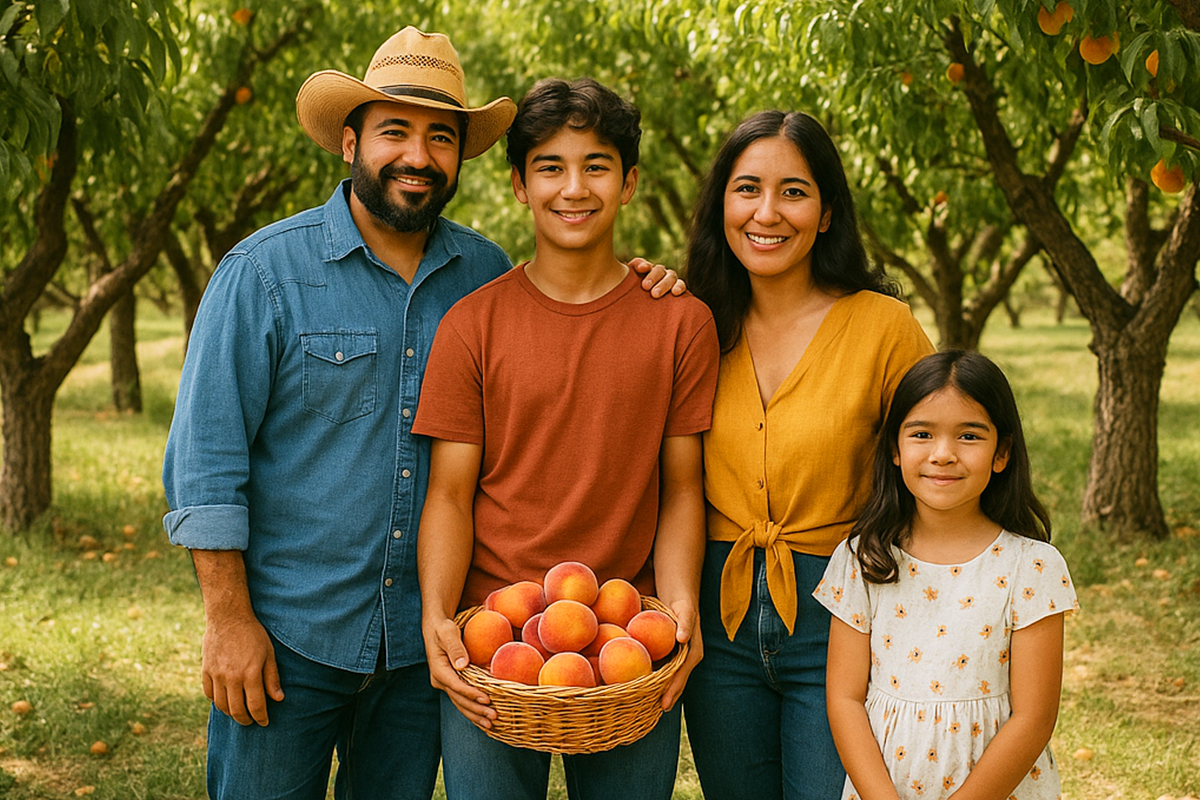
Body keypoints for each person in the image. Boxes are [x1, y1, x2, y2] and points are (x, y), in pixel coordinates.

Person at [161, 29, 681, 800]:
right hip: (289, 640)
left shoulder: (483, 274)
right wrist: (229, 621)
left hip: (423, 648)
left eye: (440, 137)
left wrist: (645, 283)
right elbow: (205, 463)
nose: (418, 155)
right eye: (394, 132)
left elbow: (567, 326)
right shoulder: (265, 272)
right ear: (349, 142)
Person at [412, 77, 719, 800]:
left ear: (630, 181)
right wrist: (437, 618)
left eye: (596, 166)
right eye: (550, 167)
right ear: (519, 185)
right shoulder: (472, 326)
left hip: (625, 638)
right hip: (494, 638)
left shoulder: (680, 324)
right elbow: (451, 496)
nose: (573, 188)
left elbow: (681, 488)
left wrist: (679, 610)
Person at [681, 109, 936, 800]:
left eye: (794, 191)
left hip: (846, 614)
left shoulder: (884, 327)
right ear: (721, 204)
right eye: (747, 189)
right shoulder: (691, 321)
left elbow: (934, 478)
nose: (768, 212)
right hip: (718, 614)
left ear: (826, 213)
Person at [815, 349, 1079, 800]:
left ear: (1003, 453)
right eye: (922, 434)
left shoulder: (1033, 567)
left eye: (969, 436)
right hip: (886, 785)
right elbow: (844, 700)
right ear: (895, 451)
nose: (943, 454)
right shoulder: (863, 558)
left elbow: (1034, 717)